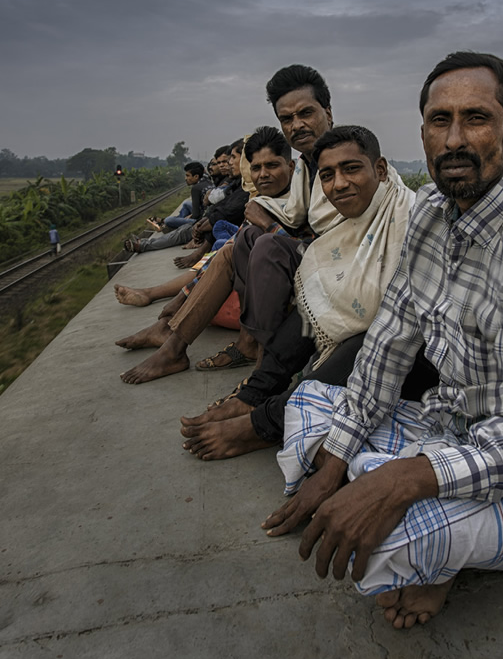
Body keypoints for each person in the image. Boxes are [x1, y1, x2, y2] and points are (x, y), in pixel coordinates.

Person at [261, 52, 503, 630]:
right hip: (444, 427)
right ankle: (394, 501)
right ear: (421, 131)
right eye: (438, 120)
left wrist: (400, 481)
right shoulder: (429, 211)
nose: (454, 139)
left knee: (390, 538)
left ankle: (429, 540)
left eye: (475, 118)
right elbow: (388, 346)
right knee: (309, 406)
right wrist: (336, 459)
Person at [180, 125, 434, 461]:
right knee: (316, 296)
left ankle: (264, 423)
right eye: (327, 175)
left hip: (419, 360)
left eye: (352, 168)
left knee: (375, 337)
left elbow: (401, 327)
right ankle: (257, 390)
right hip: (375, 344)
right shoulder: (350, 222)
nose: (339, 183)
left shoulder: (410, 217)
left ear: (381, 169)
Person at [118, 126, 298, 384]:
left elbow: (308, 255)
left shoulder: (301, 199)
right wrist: (182, 296)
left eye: (272, 166)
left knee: (236, 243)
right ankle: (173, 344)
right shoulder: (259, 200)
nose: (263, 174)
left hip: (286, 295)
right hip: (254, 285)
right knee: (228, 249)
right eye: (256, 168)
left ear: (291, 168)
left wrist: (268, 226)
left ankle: (176, 339)